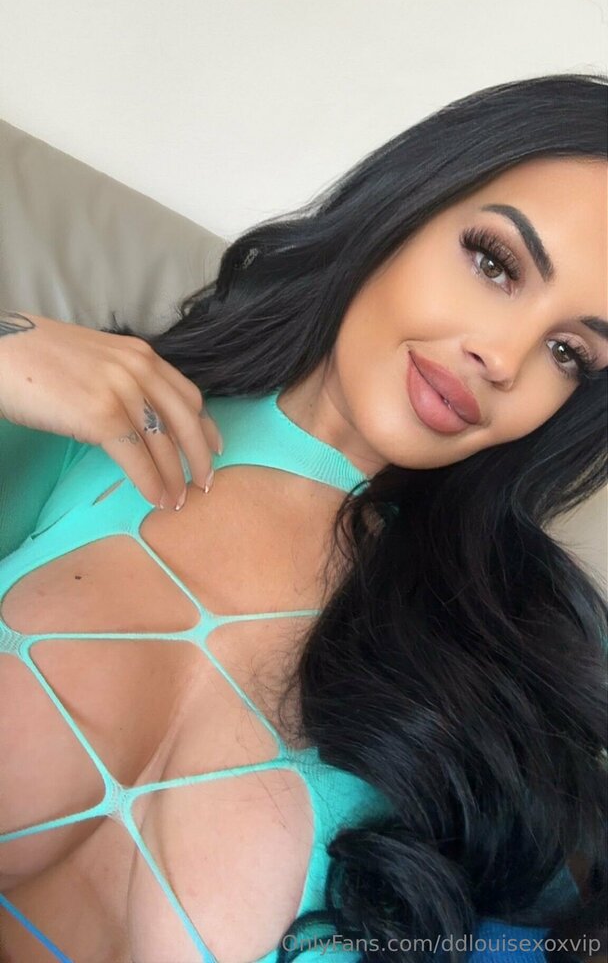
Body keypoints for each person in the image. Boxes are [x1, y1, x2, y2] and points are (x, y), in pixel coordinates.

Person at [0, 73, 606, 963]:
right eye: (494, 262)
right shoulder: (89, 413)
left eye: (568, 351)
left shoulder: (520, 647)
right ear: (404, 205)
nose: (504, 358)